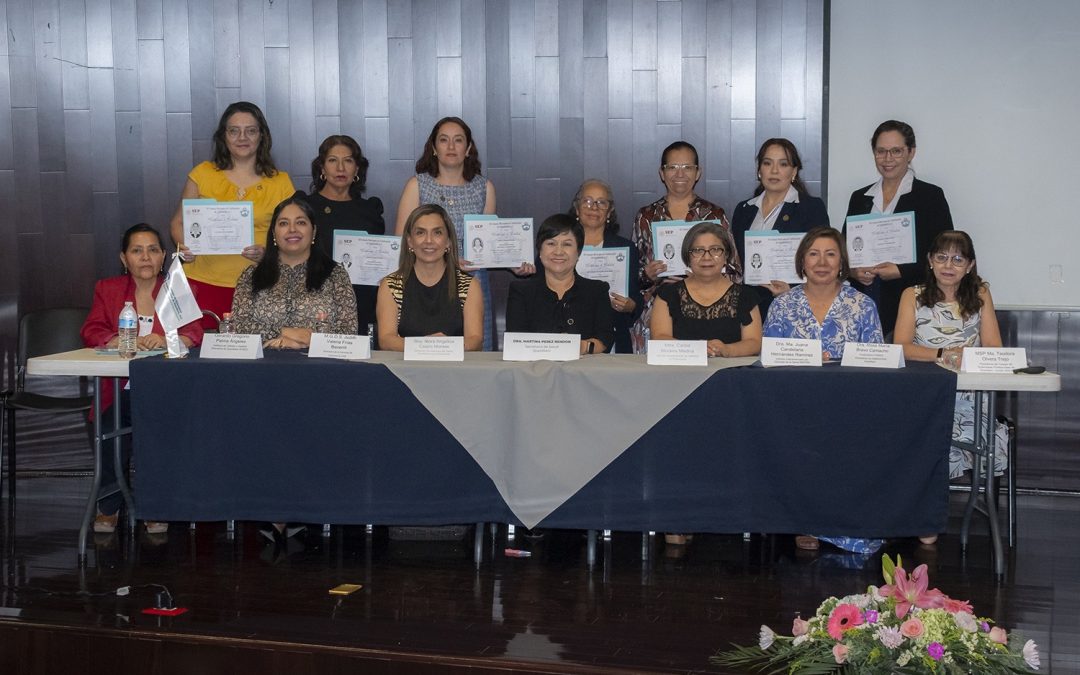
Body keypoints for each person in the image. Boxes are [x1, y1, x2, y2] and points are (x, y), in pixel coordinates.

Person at [763, 227, 883, 553]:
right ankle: (806, 523)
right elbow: (770, 361)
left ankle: (844, 523)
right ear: (802, 260)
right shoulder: (782, 306)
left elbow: (876, 363)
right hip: (794, 406)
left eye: (830, 254)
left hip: (848, 405)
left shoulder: (863, 305)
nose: (822, 262)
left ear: (842, 261)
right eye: (813, 254)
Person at [81, 224, 205, 535]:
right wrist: (111, 338)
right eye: (137, 250)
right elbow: (91, 329)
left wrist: (166, 339)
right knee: (109, 428)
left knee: (160, 433)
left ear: (164, 256)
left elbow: (195, 332)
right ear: (124, 258)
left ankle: (157, 505)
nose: (145, 257)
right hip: (119, 388)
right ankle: (109, 505)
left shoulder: (177, 287)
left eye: (152, 250)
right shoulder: (107, 289)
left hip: (165, 390)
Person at [893, 231, 1004, 545]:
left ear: (969, 265)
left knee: (979, 432)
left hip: (970, 395)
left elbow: (994, 348)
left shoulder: (980, 294)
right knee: (927, 431)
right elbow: (900, 346)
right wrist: (942, 354)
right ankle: (923, 513)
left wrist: (967, 358)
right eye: (941, 257)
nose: (948, 265)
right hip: (924, 393)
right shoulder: (911, 295)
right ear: (930, 261)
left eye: (958, 258)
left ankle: (933, 512)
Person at [395, 117, 533, 350]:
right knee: (429, 350)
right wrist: (448, 260)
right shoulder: (417, 185)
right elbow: (401, 241)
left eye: (458, 141)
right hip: (426, 282)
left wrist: (513, 264)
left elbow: (490, 244)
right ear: (434, 147)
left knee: (475, 354)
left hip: (472, 283)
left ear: (468, 148)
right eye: (444, 140)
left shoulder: (484, 187)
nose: (451, 147)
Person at [169, 101, 295, 330]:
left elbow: (295, 235)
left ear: (262, 136)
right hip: (202, 281)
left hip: (259, 283)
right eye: (234, 130)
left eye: (251, 130)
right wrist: (184, 247)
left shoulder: (281, 182)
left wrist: (269, 254)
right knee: (200, 357)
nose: (242, 137)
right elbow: (178, 223)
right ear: (223, 136)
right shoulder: (202, 174)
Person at [845, 120, 953, 335]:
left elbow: (944, 254)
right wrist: (854, 271)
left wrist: (901, 270)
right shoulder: (860, 198)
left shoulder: (930, 196)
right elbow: (843, 248)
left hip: (912, 304)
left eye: (896, 151)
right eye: (881, 151)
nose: (887, 159)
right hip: (863, 303)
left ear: (911, 152)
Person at [631, 141, 735, 352]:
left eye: (687, 167)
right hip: (655, 312)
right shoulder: (646, 216)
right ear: (662, 172)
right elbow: (632, 276)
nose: (680, 174)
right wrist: (647, 274)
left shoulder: (713, 215)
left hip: (706, 308)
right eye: (672, 167)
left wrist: (704, 276)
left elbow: (734, 270)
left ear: (698, 173)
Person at [231, 195, 358, 347]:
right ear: (273, 233)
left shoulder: (335, 274)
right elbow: (238, 326)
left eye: (301, 222)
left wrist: (307, 341)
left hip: (321, 366)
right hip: (262, 365)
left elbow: (349, 331)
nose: (292, 229)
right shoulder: (252, 275)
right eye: (284, 223)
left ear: (314, 230)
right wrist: (288, 333)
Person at [730, 138, 829, 318]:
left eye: (783, 164)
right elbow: (734, 260)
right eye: (767, 163)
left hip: (792, 306)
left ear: (794, 171)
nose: (774, 171)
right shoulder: (743, 210)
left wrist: (793, 289)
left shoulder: (811, 208)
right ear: (759, 170)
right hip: (748, 308)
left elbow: (821, 260)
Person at [304, 135, 385, 337]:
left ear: (357, 169)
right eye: (332, 161)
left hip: (361, 299)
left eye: (348, 161)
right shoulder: (304, 207)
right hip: (313, 298)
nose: (340, 168)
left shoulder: (370, 210)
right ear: (322, 168)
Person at [378, 204, 483, 351]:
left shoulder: (469, 285)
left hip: (455, 371)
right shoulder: (390, 285)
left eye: (437, 233)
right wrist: (426, 347)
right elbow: (386, 340)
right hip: (404, 371)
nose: (428, 240)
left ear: (448, 242)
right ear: (409, 241)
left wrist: (443, 347)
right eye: (420, 233)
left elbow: (475, 340)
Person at [505, 214, 615, 355]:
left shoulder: (597, 290)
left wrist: (582, 347)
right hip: (534, 372)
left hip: (584, 372)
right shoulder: (521, 291)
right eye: (551, 243)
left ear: (578, 252)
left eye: (567, 244)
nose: (558, 251)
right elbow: (515, 342)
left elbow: (605, 340)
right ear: (540, 251)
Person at [650, 221, 762, 356]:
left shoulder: (746, 296)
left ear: (726, 256)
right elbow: (659, 339)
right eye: (698, 250)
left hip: (731, 373)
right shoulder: (667, 294)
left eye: (715, 250)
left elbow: (754, 342)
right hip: (680, 373)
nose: (706, 257)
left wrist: (726, 350)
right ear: (688, 256)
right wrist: (698, 350)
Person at [566, 179, 641, 354]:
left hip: (613, 337)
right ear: (577, 208)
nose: (594, 208)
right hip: (568, 336)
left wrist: (630, 306)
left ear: (609, 211)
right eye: (588, 201)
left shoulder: (626, 249)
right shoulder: (560, 246)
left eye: (601, 202)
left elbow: (636, 298)